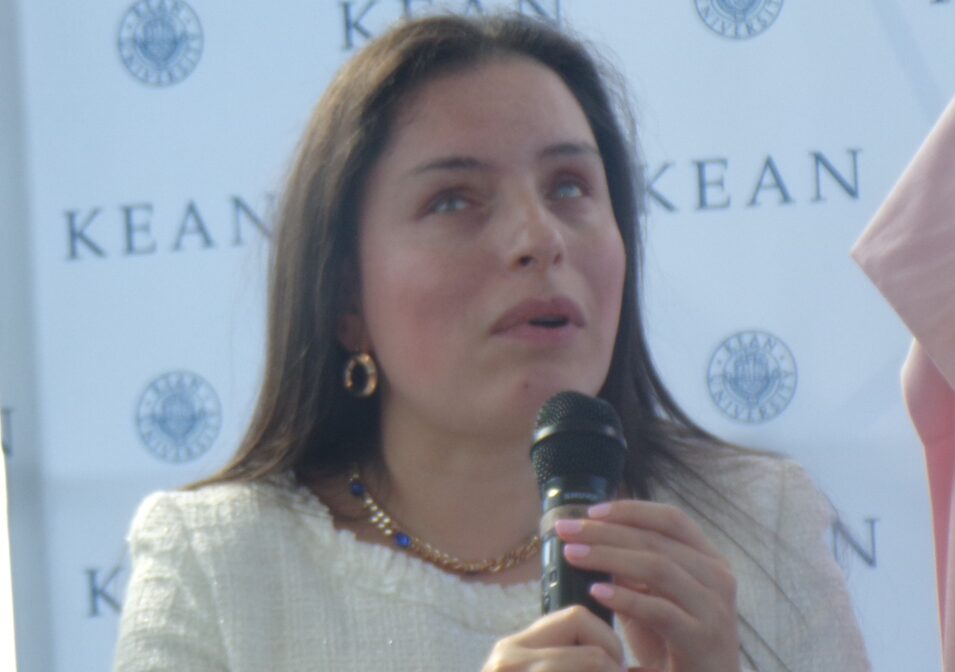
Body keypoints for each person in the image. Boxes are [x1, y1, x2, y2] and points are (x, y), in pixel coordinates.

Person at [113, 13, 870, 672]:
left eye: (569, 186)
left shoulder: (759, 518)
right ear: (346, 298)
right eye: (454, 200)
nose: (539, 238)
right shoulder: (216, 561)